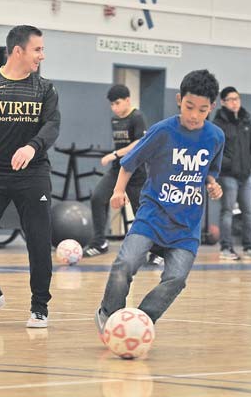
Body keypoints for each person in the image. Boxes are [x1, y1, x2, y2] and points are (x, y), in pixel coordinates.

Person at [94, 69, 224, 336]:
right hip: (152, 217)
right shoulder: (162, 131)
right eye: (189, 107)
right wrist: (118, 191)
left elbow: (212, 170)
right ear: (179, 100)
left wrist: (212, 185)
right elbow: (129, 163)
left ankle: (141, 321)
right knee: (124, 265)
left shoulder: (216, 137)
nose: (194, 115)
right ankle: (110, 314)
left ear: (211, 107)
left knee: (176, 278)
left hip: (186, 227)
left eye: (202, 110)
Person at [0, 25, 60, 328]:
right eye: (37, 50)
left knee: (39, 238)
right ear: (18, 51)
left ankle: (39, 306)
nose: (42, 55)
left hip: (33, 173)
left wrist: (33, 147)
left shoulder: (45, 88)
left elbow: (52, 125)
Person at [83, 85, 148, 259]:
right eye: (112, 105)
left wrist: (114, 154)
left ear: (128, 100)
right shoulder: (115, 120)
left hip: (136, 172)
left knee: (142, 211)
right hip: (117, 171)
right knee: (97, 197)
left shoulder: (137, 117)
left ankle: (157, 251)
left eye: (118, 103)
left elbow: (139, 143)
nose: (115, 108)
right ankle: (100, 242)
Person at [212, 86, 251, 261]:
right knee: (227, 211)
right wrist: (227, 164)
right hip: (227, 176)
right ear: (223, 102)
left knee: (249, 211)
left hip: (245, 175)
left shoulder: (246, 121)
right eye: (231, 99)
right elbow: (214, 149)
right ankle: (226, 248)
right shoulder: (218, 124)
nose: (235, 102)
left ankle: (250, 247)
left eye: (237, 99)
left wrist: (250, 162)